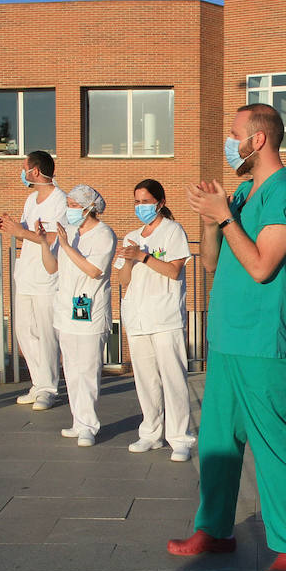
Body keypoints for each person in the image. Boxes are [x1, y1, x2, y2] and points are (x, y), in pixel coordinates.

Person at [168, 103, 286, 571]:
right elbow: (212, 263)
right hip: (227, 336)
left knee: (272, 443)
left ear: (258, 140)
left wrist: (226, 217)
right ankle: (213, 529)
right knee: (216, 441)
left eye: (235, 135)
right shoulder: (247, 191)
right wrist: (211, 222)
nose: (230, 144)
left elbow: (261, 266)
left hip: (261, 338)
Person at [116, 178, 195, 462]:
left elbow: (174, 271)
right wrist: (128, 259)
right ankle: (151, 433)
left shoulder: (173, 231)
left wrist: (143, 256)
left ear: (160, 203)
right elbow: (123, 280)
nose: (141, 206)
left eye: (146, 201)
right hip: (137, 316)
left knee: (172, 377)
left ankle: (180, 438)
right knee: (146, 379)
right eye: (137, 201)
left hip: (165, 316)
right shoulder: (131, 236)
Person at [40, 184, 115, 447]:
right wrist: (43, 243)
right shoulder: (69, 232)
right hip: (66, 312)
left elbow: (94, 270)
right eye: (68, 205)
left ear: (89, 207)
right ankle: (78, 421)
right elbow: (53, 268)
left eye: (73, 205)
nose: (69, 210)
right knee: (71, 370)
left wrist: (65, 245)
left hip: (90, 312)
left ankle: (89, 426)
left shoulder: (104, 234)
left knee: (87, 370)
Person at [0, 150, 66, 411]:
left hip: (46, 277)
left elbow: (53, 237)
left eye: (24, 167)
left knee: (45, 334)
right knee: (24, 332)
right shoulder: (31, 199)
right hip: (25, 276)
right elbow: (24, 234)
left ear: (35, 171)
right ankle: (38, 383)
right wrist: (10, 226)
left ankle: (49, 387)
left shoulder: (59, 200)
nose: (22, 172)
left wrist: (21, 231)